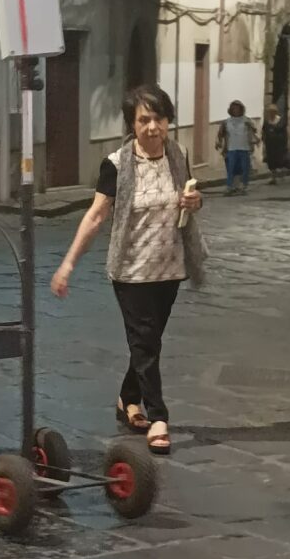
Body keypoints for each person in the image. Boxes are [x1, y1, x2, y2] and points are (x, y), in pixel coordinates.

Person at [50, 85, 205, 456]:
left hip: (170, 265)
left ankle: (127, 398)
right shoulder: (117, 165)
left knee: (148, 342)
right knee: (145, 342)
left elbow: (190, 200)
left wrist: (195, 201)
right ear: (132, 125)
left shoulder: (178, 154)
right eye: (144, 120)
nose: (153, 127)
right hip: (131, 270)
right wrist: (68, 263)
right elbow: (96, 215)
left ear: (168, 121)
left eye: (159, 119)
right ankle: (159, 416)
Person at [216, 100, 259, 195]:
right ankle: (230, 186)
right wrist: (219, 143)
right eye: (234, 108)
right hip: (231, 148)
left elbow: (254, 131)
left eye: (238, 108)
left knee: (244, 169)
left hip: (244, 148)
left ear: (241, 109)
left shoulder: (247, 120)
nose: (236, 110)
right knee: (231, 169)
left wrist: (254, 139)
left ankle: (243, 186)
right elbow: (221, 133)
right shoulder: (227, 122)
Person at [262, 104, 287, 184]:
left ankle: (281, 173)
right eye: (269, 112)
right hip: (270, 144)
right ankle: (273, 177)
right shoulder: (267, 121)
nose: (271, 113)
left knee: (279, 159)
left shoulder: (280, 120)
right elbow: (264, 131)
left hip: (278, 144)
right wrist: (264, 140)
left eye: (272, 112)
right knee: (271, 161)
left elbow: (283, 132)